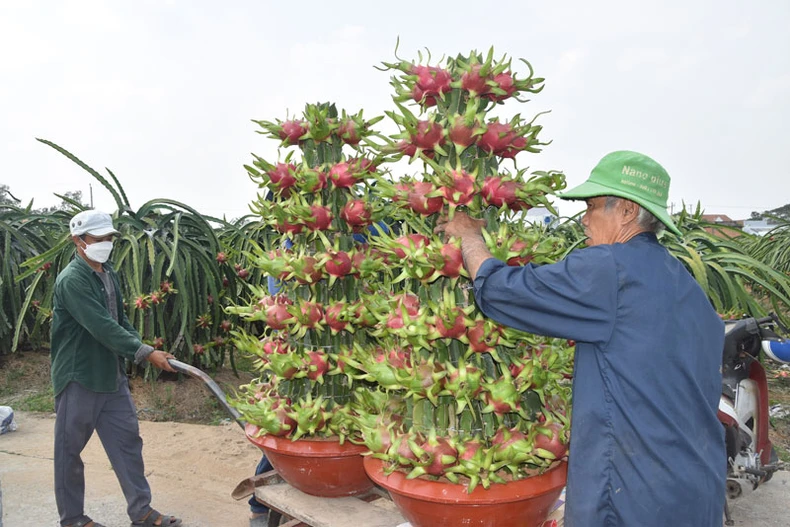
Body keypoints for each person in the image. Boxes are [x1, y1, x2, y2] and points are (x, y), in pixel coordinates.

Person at [438, 151, 725, 526]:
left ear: (624, 211)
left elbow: (503, 291)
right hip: (697, 487)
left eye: (591, 208)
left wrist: (470, 236)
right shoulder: (685, 286)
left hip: (635, 495)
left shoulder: (609, 268)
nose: (583, 220)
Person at [51, 210, 182, 527]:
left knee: (127, 444)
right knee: (69, 452)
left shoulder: (108, 273)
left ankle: (142, 511)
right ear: (78, 241)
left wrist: (140, 347)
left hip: (111, 376)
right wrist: (146, 353)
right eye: (99, 239)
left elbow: (120, 321)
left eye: (109, 238)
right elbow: (101, 327)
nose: (106, 244)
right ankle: (73, 519)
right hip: (79, 376)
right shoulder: (72, 280)